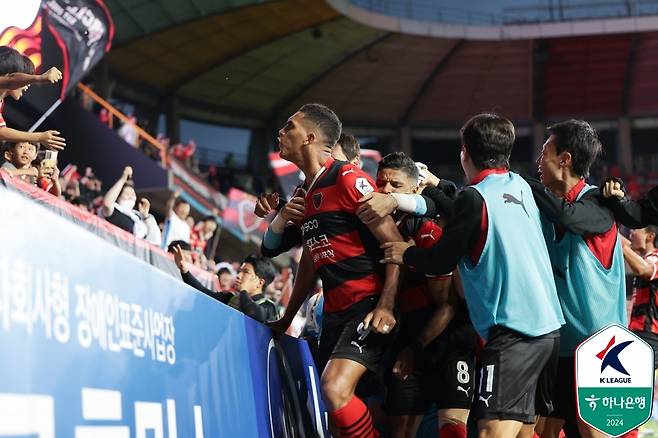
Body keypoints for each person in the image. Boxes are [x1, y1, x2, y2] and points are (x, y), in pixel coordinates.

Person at [382, 113, 564, 438]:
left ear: (465, 152)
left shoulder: (474, 197)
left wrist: (403, 253)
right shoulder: (522, 185)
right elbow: (464, 211)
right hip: (549, 331)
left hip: (513, 333)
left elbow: (440, 260)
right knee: (524, 433)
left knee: (491, 432)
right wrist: (430, 189)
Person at [267, 103, 404, 437]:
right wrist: (287, 317)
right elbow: (310, 262)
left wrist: (385, 304)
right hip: (334, 315)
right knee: (339, 421)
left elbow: (395, 244)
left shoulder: (346, 177)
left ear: (310, 137)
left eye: (289, 127)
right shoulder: (303, 193)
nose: (281, 133)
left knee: (333, 389)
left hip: (367, 306)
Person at [525, 120, 626, 438]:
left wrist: (521, 182)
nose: (538, 162)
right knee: (540, 432)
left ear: (564, 159)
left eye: (544, 153)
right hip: (557, 347)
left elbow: (569, 218)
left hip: (602, 351)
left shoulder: (600, 205)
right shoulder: (544, 211)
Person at [375, 152, 477, 438]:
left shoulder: (429, 230)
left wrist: (414, 350)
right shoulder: (374, 225)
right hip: (404, 337)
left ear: (413, 189)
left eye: (395, 185)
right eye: (381, 183)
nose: (385, 191)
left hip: (449, 342)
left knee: (454, 429)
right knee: (401, 432)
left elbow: (447, 307)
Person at [172, 244, 278, 323]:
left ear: (260, 282)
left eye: (245, 272)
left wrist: (243, 291)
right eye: (240, 271)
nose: (238, 275)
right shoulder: (231, 298)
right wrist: (184, 270)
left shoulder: (269, 307)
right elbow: (203, 292)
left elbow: (253, 313)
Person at [0, 46, 66, 150]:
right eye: (25, 80)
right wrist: (39, 78)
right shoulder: (9, 81)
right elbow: (10, 81)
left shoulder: (1, 102)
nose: (27, 85)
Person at [621, 226, 658, 369]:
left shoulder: (655, 258)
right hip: (640, 334)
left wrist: (619, 243)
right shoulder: (645, 259)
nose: (630, 235)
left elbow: (643, 269)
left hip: (651, 335)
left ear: (650, 236)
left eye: (634, 231)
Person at [101, 166, 161, 245]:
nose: (130, 196)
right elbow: (107, 203)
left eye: (132, 194)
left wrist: (146, 216)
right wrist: (123, 179)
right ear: (118, 197)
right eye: (127, 194)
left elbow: (156, 241)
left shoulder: (139, 217)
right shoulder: (114, 210)